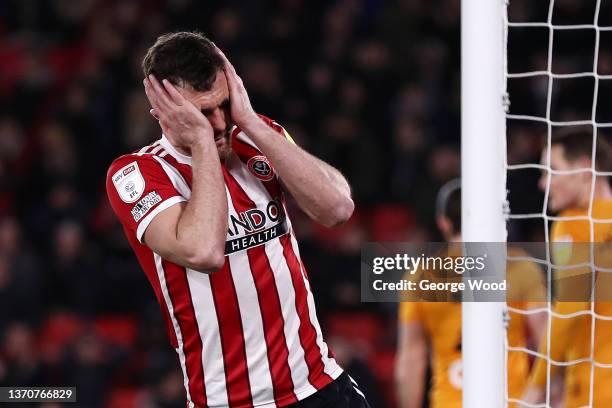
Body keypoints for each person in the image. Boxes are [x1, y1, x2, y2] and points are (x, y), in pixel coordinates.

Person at [106, 31, 369, 408]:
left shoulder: (253, 137)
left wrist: (251, 121)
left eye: (224, 105)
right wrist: (200, 144)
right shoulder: (136, 174)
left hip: (319, 385)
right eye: (200, 113)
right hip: (230, 400)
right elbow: (204, 252)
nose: (217, 123)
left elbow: (338, 209)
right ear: (162, 112)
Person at [395, 179, 546, 408]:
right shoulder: (520, 268)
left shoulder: (420, 278)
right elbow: (546, 343)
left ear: (444, 223)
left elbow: (411, 358)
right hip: (511, 402)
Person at [522, 130, 612, 407]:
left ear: (585, 169)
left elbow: (569, 311)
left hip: (595, 386)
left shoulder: (572, 225)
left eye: (552, 171)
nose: (542, 183)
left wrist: (537, 386)